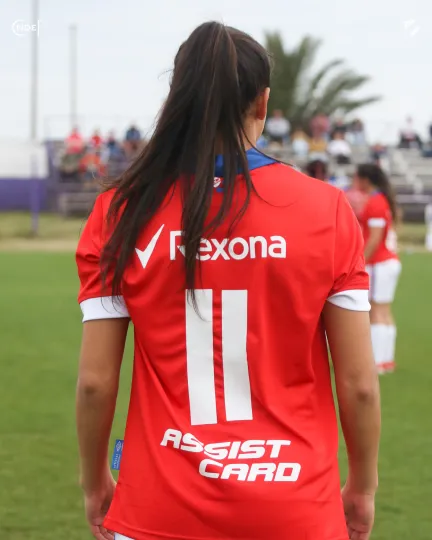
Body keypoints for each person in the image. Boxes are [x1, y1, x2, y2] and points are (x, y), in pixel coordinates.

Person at [76, 22, 380, 540]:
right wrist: (363, 487)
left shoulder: (121, 210)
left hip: (156, 510)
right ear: (263, 103)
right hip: (296, 508)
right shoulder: (326, 209)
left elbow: (95, 382)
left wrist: (94, 482)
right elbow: (360, 386)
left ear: (176, 98)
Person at [353, 164, 401, 374]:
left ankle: (378, 361)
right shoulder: (381, 200)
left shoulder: (376, 202)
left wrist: (360, 261)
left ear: (366, 180)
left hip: (380, 262)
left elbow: (374, 238)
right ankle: (386, 359)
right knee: (384, 311)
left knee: (376, 311)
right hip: (387, 262)